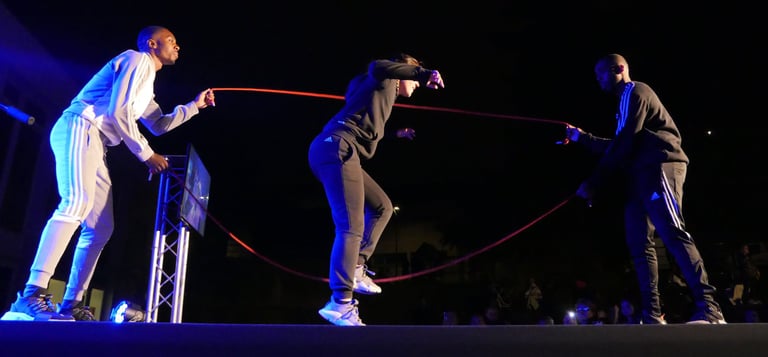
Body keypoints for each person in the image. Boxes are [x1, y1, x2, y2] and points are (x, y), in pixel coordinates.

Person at [1, 26, 215, 321]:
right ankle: (31, 294)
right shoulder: (136, 59)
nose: (178, 47)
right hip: (80, 127)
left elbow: (158, 124)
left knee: (101, 226)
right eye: (172, 41)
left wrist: (194, 106)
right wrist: (146, 154)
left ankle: (72, 303)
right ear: (152, 44)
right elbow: (118, 112)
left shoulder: (146, 82)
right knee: (75, 203)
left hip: (95, 142)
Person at [563, 53, 726, 324]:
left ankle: (710, 309)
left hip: (661, 166)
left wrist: (594, 182)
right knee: (639, 242)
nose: (598, 80)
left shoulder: (634, 91)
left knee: (673, 232)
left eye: (601, 74)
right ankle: (652, 314)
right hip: (641, 175)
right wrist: (582, 138)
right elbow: (622, 145)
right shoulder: (624, 104)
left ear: (619, 69)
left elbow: (624, 142)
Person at [309, 53, 444, 326]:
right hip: (337, 148)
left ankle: (357, 266)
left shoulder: (380, 96)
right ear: (404, 71)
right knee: (350, 226)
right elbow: (377, 66)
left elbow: (366, 132)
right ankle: (340, 302)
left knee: (382, 206)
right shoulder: (384, 78)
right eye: (412, 77)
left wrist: (396, 135)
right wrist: (423, 73)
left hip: (336, 150)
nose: (416, 86)